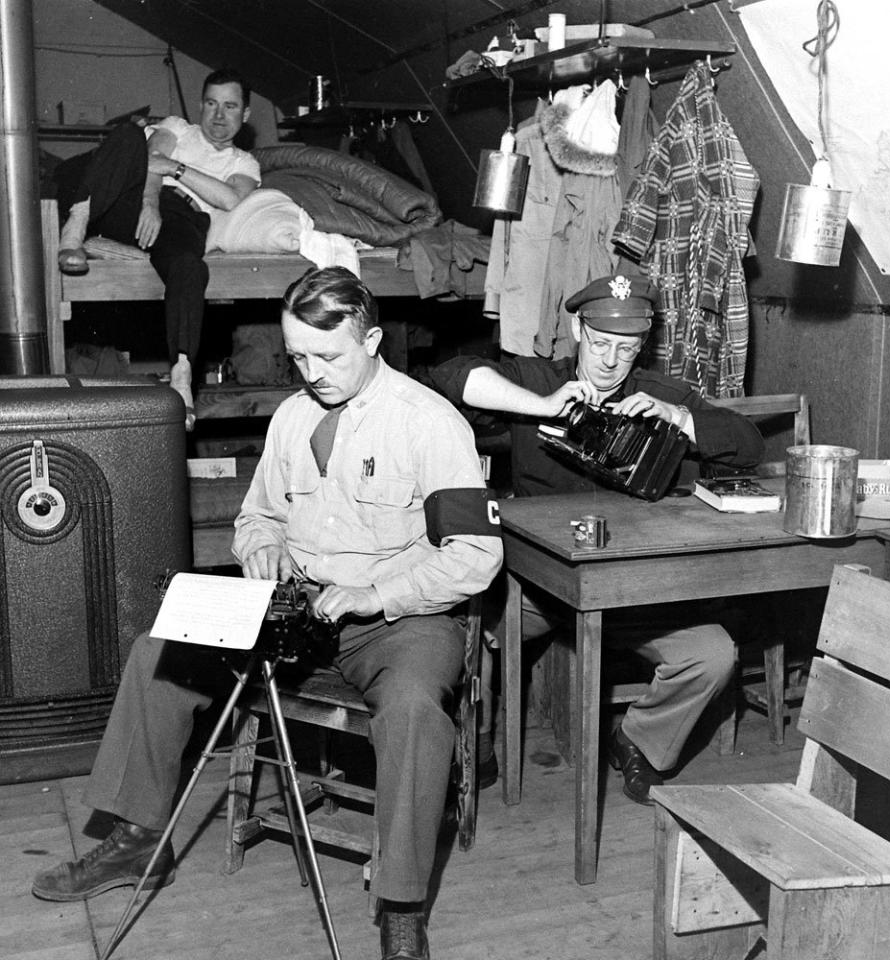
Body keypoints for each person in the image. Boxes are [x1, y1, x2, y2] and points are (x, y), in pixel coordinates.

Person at [32, 266, 504, 960]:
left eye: (329, 356)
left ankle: (400, 905)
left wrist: (376, 595)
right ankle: (136, 841)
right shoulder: (293, 417)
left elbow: (476, 555)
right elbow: (256, 515)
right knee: (158, 652)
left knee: (411, 709)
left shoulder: (430, 424)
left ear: (372, 339)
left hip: (400, 617)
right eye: (299, 357)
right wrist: (261, 546)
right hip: (298, 604)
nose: (312, 373)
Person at [430, 273, 764, 802]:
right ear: (576, 330)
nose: (610, 361)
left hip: (628, 591)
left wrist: (677, 417)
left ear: (643, 346)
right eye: (601, 343)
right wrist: (541, 406)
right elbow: (449, 377)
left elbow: (747, 445)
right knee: (469, 634)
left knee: (713, 655)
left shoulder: (658, 395)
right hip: (535, 588)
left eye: (626, 349)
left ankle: (636, 740)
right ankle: (481, 742)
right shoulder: (537, 379)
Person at [56, 67, 262, 429]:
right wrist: (150, 200)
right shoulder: (178, 127)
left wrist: (177, 168)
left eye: (230, 107)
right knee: (127, 134)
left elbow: (229, 198)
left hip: (184, 216)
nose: (218, 116)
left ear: (244, 115)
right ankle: (76, 224)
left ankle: (182, 372)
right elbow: (150, 158)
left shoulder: (244, 163)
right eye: (211, 104)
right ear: (200, 105)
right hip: (137, 203)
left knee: (189, 266)